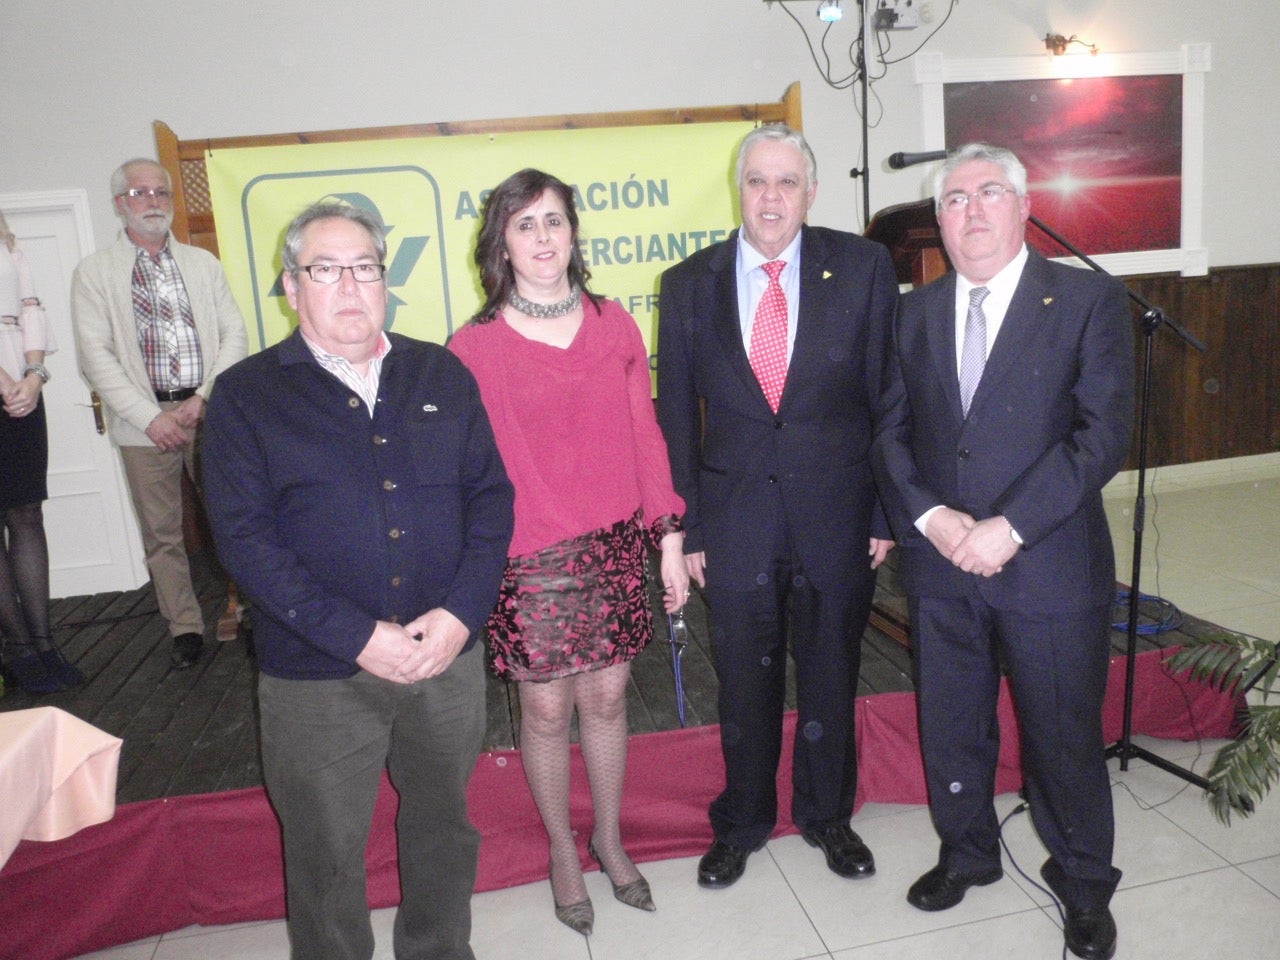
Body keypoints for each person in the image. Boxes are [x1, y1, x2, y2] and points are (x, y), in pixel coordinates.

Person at [202, 202, 513, 960]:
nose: (348, 286)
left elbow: (491, 498)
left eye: (365, 267)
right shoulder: (245, 396)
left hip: (445, 659)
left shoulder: (440, 370)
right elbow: (244, 541)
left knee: (444, 828)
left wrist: (461, 615)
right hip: (317, 675)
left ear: (386, 279)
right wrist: (357, 636)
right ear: (290, 285)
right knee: (324, 851)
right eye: (325, 269)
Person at [871, 142, 1133, 960]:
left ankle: (1085, 881)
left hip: (1049, 562)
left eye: (989, 193)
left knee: (1062, 734)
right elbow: (891, 433)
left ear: (1024, 207)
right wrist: (930, 519)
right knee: (952, 723)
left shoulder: (1088, 301)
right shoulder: (912, 315)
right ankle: (969, 852)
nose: (971, 210)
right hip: (942, 566)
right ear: (939, 221)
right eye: (954, 199)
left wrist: (1007, 527)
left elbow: (1102, 437)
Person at [656, 125, 898, 889]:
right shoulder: (689, 282)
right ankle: (744, 822)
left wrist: (886, 516)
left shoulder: (862, 267)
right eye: (757, 181)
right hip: (733, 525)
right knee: (745, 682)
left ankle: (828, 818)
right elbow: (674, 417)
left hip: (840, 516)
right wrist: (689, 523)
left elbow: (891, 398)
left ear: (811, 192)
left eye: (786, 182)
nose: (770, 197)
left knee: (832, 673)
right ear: (740, 188)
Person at [448, 168, 687, 937]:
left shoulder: (615, 323)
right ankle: (560, 850)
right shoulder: (472, 346)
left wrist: (670, 535)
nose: (543, 237)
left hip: (614, 541)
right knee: (547, 709)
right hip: (526, 558)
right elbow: (468, 472)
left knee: (610, 699)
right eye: (525, 225)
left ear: (574, 232)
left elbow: (646, 435)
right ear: (502, 244)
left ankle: (610, 840)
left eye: (554, 220)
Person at [70, 158, 247, 669]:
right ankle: (184, 627)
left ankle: (252, 611)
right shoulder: (94, 273)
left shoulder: (202, 264)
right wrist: (151, 417)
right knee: (162, 534)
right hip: (140, 422)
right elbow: (94, 356)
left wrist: (205, 398)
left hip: (207, 411)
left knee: (236, 518)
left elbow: (234, 334)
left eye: (160, 192)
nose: (152, 201)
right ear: (120, 204)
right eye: (139, 192)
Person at [0, 211, 83, 693]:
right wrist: (7, 382)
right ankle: (18, 648)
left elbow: (31, 310)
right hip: (10, 383)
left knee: (27, 513)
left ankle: (44, 641)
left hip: (25, 390)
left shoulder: (9, 243)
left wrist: (34, 377)